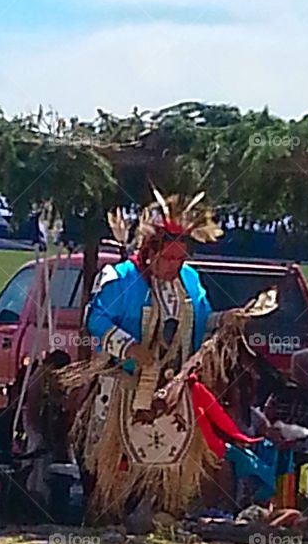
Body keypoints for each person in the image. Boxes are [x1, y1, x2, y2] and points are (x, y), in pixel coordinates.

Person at [74, 193, 264, 521]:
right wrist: (130, 348)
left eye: (180, 258)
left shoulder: (190, 281)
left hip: (174, 385)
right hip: (125, 380)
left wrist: (226, 319)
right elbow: (96, 320)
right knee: (117, 451)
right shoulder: (120, 278)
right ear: (150, 254)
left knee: (174, 447)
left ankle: (165, 509)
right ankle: (110, 508)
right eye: (169, 258)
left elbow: (202, 321)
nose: (176, 265)